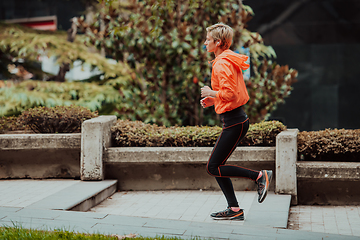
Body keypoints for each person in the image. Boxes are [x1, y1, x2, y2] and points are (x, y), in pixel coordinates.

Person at [200, 23, 272, 221]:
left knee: (213, 167)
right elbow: (233, 95)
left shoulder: (222, 63)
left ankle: (259, 176)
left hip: (234, 122)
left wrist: (211, 92)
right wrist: (214, 100)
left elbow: (230, 93)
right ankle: (234, 209)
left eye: (208, 40)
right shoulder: (228, 59)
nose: (205, 43)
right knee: (218, 165)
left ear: (218, 42)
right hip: (236, 120)